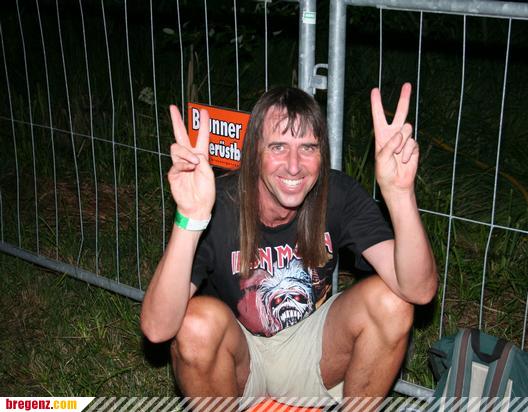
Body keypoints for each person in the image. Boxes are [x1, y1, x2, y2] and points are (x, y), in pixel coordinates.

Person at [140, 83, 437, 406]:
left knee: (392, 303)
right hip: (238, 360)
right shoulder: (220, 204)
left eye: (308, 147)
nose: (294, 165)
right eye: (278, 146)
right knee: (195, 325)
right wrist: (190, 218)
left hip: (311, 352)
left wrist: (399, 194)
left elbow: (419, 290)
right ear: (254, 151)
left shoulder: (338, 194)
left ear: (322, 154)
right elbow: (157, 329)